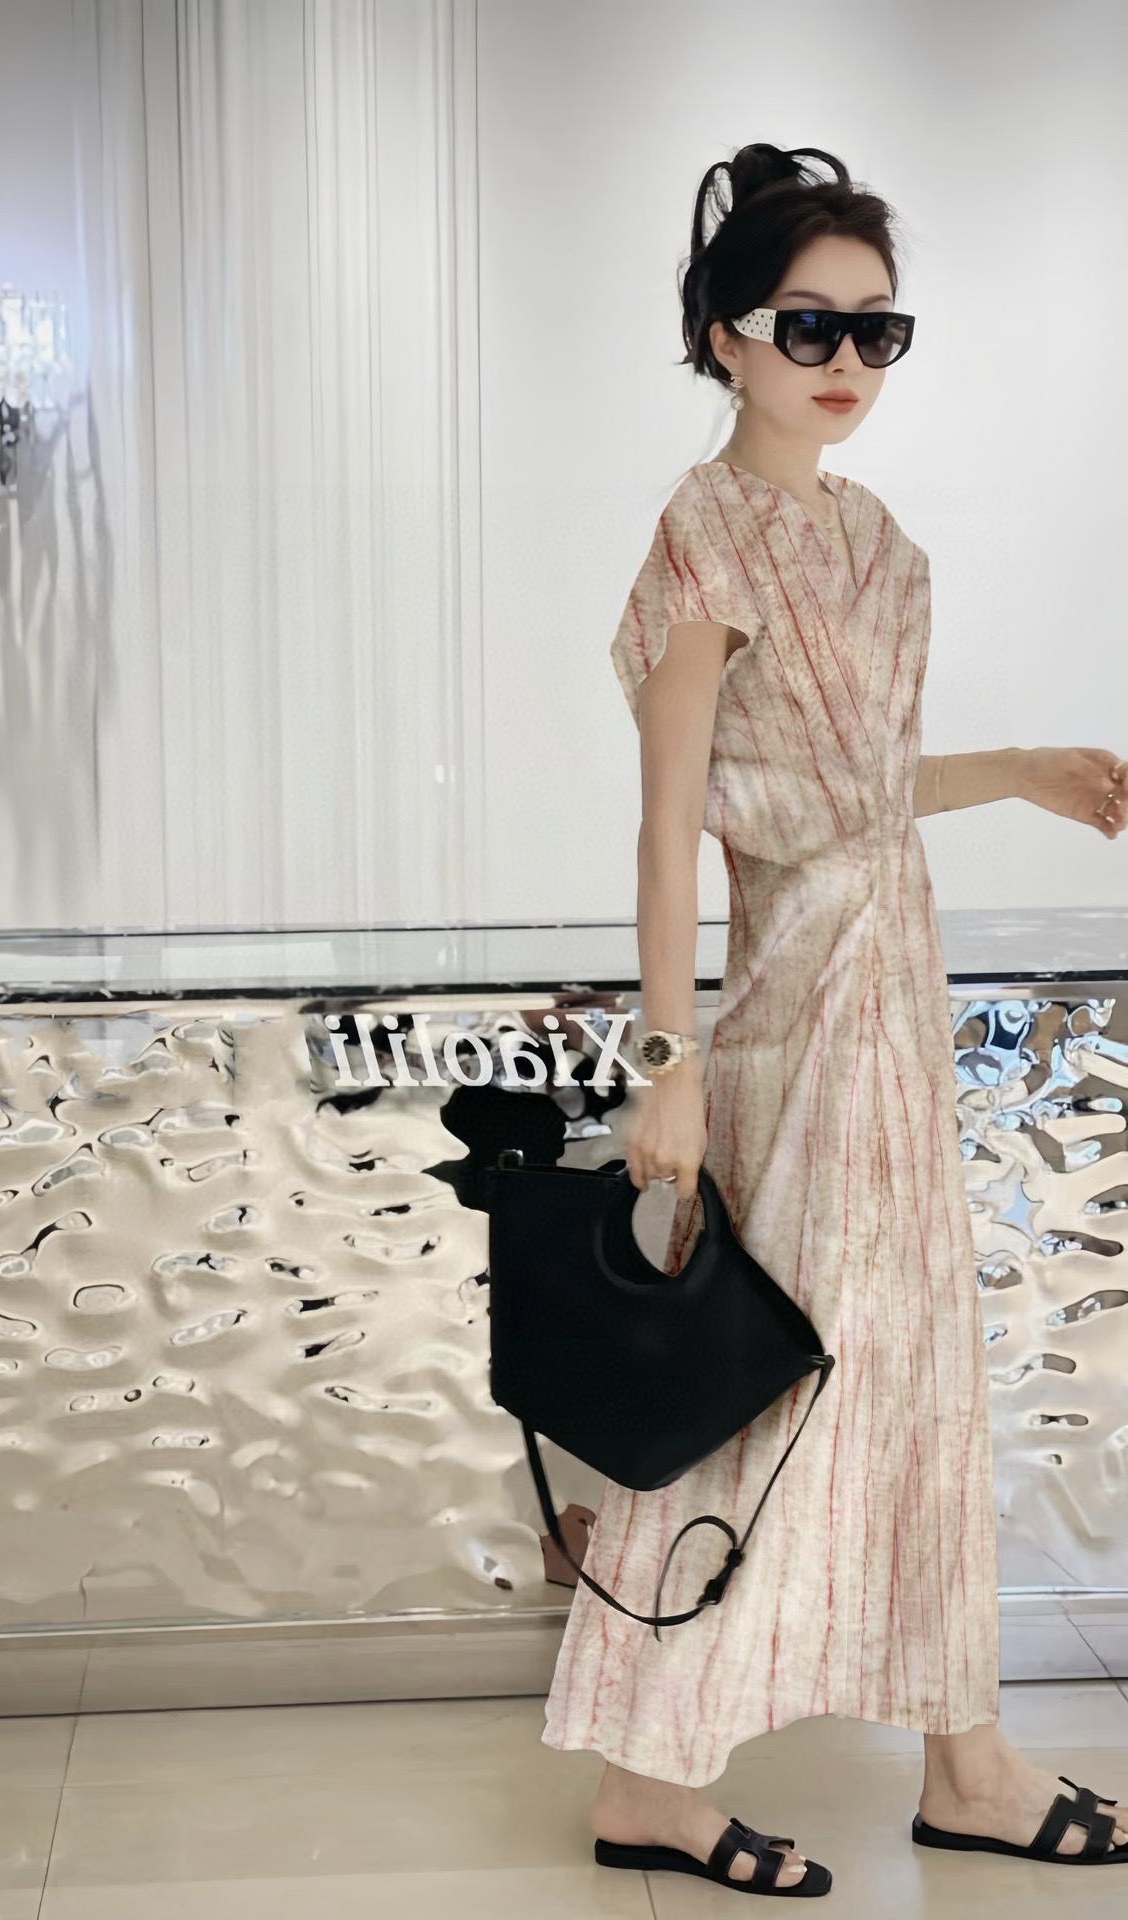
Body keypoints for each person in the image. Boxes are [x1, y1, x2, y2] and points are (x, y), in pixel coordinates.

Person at [540, 141, 1128, 1895]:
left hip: (895, 1001)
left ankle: (967, 1757)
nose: (849, 361)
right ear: (727, 334)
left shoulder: (881, 546)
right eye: (812, 325)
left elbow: (857, 788)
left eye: (881, 330)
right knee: (758, 1381)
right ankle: (649, 1777)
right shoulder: (704, 539)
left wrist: (1018, 768)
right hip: (794, 1022)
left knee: (921, 1380)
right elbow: (674, 821)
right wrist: (666, 1064)